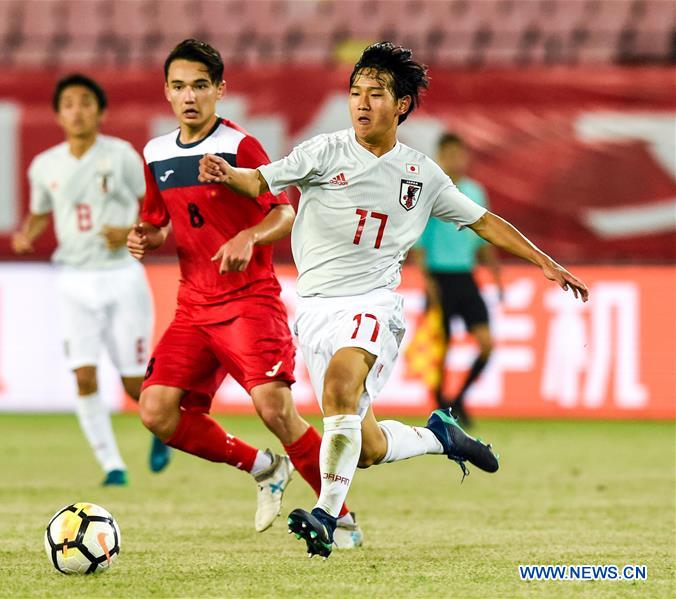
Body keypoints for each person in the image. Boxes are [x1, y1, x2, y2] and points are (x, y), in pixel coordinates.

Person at [199, 41, 589, 558]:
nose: (361, 103)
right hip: (314, 309)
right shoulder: (323, 152)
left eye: (375, 94)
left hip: (373, 304)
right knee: (367, 445)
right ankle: (441, 438)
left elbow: (482, 221)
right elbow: (260, 181)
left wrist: (543, 260)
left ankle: (326, 516)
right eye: (355, 93)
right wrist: (230, 176)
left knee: (340, 387)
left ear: (401, 104)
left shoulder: (421, 174)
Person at [127, 39, 362, 546]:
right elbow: (157, 219)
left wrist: (249, 235)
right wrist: (145, 234)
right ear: (166, 92)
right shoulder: (156, 152)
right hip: (192, 305)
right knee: (156, 412)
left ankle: (339, 517)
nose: (189, 96)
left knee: (276, 410)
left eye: (199, 86)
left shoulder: (239, 147)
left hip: (249, 301)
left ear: (220, 90)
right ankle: (263, 467)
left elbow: (284, 211)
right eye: (178, 86)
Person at [12, 73, 171, 486]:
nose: (77, 110)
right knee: (83, 375)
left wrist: (130, 230)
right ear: (58, 115)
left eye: (85, 102)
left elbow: (157, 207)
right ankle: (112, 466)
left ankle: (167, 428)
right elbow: (41, 210)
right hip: (74, 280)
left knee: (134, 382)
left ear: (100, 111)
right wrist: (27, 234)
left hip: (120, 275)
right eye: (68, 104)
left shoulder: (121, 156)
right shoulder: (45, 165)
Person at [409, 132, 503, 425]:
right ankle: (441, 407)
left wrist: (496, 275)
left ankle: (458, 400)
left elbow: (483, 238)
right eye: (448, 155)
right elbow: (419, 243)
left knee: (486, 344)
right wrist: (427, 282)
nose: (455, 160)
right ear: (440, 157)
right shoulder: (430, 192)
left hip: (466, 276)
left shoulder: (475, 192)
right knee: (441, 349)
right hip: (439, 278)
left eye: (459, 154)